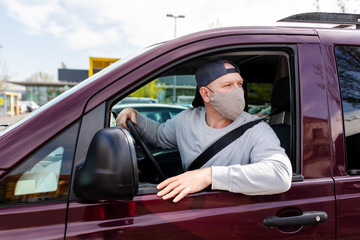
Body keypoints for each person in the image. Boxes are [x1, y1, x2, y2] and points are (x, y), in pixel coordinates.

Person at [116, 59, 292, 203]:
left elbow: (280, 174)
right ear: (206, 94)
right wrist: (135, 116)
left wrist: (209, 175)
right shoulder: (186, 120)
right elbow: (159, 136)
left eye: (240, 84)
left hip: (234, 214)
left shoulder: (257, 129)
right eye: (228, 85)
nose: (238, 91)